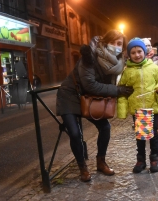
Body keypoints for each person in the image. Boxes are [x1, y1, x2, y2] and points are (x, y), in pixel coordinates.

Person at [56, 30, 134, 182]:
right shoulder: (90, 56)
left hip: (89, 97)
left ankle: (101, 162)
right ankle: (82, 167)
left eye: (119, 44)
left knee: (105, 127)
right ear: (105, 42)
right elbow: (90, 85)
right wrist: (118, 91)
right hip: (70, 95)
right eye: (113, 42)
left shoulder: (118, 62)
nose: (116, 47)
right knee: (74, 133)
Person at [117, 38, 158, 173]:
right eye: (133, 52)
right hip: (138, 109)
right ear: (129, 55)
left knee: (153, 134)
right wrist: (122, 110)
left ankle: (154, 158)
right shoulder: (127, 71)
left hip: (153, 108)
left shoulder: (153, 67)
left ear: (144, 52)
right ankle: (140, 160)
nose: (137, 55)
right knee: (140, 135)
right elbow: (122, 90)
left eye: (139, 51)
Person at [142, 38, 158, 139]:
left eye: (149, 45)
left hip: (156, 88)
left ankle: (157, 129)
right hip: (144, 89)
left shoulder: (156, 58)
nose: (148, 47)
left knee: (156, 109)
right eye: (145, 45)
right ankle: (147, 129)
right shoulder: (139, 59)